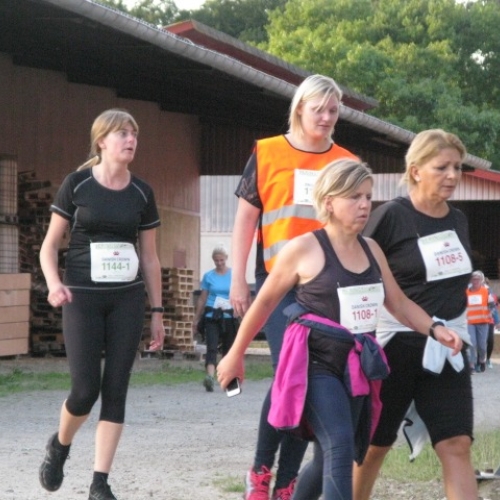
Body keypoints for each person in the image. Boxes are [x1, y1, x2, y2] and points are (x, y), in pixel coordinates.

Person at [217, 158, 462, 500]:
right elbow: (264, 303)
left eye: (368, 196)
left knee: (328, 460)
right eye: (354, 197)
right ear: (329, 202)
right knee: (340, 444)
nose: (364, 205)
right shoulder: (303, 248)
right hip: (315, 365)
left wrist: (434, 328)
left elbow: (399, 303)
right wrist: (235, 354)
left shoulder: (372, 250)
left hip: (356, 367)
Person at [229, 73, 358, 500]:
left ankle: (286, 482)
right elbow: (246, 220)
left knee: (308, 379)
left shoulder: (344, 161)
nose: (326, 117)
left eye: (333, 110)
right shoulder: (268, 152)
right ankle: (261, 472)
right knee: (291, 371)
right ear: (299, 108)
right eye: (317, 108)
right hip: (279, 282)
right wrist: (237, 279)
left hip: (326, 284)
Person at [38, 108, 165, 500]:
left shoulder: (142, 192)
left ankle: (99, 482)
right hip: (82, 298)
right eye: (122, 133)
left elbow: (150, 258)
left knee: (116, 388)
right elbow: (48, 246)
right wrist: (54, 284)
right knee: (84, 390)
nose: (131, 140)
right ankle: (60, 445)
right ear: (101, 141)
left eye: (134, 133)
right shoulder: (76, 185)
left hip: (126, 299)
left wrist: (157, 312)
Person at [353, 129, 477, 500]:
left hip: (448, 346)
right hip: (395, 345)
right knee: (375, 444)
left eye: (457, 167)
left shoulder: (458, 220)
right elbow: (356, 267)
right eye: (442, 167)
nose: (452, 175)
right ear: (416, 170)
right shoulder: (391, 215)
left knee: (456, 443)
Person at [193, 245, 238, 392]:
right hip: (212, 316)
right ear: (213, 260)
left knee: (228, 349)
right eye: (216, 260)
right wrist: (196, 318)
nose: (219, 263)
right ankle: (210, 378)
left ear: (226, 259)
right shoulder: (208, 276)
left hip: (229, 316)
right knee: (211, 347)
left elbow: (239, 295)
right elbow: (202, 298)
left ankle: (227, 379)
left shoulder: (234, 275)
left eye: (222, 260)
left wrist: (239, 310)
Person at [466, 270, 493, 373]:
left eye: (477, 279)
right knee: (472, 343)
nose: (475, 281)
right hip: (470, 322)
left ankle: (482, 360)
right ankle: (471, 364)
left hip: (483, 321)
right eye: (474, 279)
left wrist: (490, 312)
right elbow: (462, 305)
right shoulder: (467, 292)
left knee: (482, 345)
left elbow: (492, 304)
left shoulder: (485, 291)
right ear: (471, 280)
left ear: (481, 280)